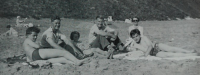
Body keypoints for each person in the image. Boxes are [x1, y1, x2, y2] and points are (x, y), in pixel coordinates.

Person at [23, 27, 87, 66]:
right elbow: (37, 46)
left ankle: (72, 62)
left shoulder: (25, 44)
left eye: (36, 35)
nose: (35, 37)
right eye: (33, 35)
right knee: (63, 52)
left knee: (60, 60)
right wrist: (40, 46)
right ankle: (77, 61)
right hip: (37, 53)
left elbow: (28, 57)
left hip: (35, 58)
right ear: (27, 35)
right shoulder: (27, 40)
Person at [127, 29, 198, 58]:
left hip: (156, 46)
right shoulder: (135, 43)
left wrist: (145, 55)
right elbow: (133, 51)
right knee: (169, 55)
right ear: (132, 38)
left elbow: (150, 46)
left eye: (137, 36)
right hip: (154, 53)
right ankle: (190, 55)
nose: (136, 38)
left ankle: (189, 51)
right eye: (134, 37)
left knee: (171, 49)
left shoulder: (144, 38)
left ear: (139, 35)